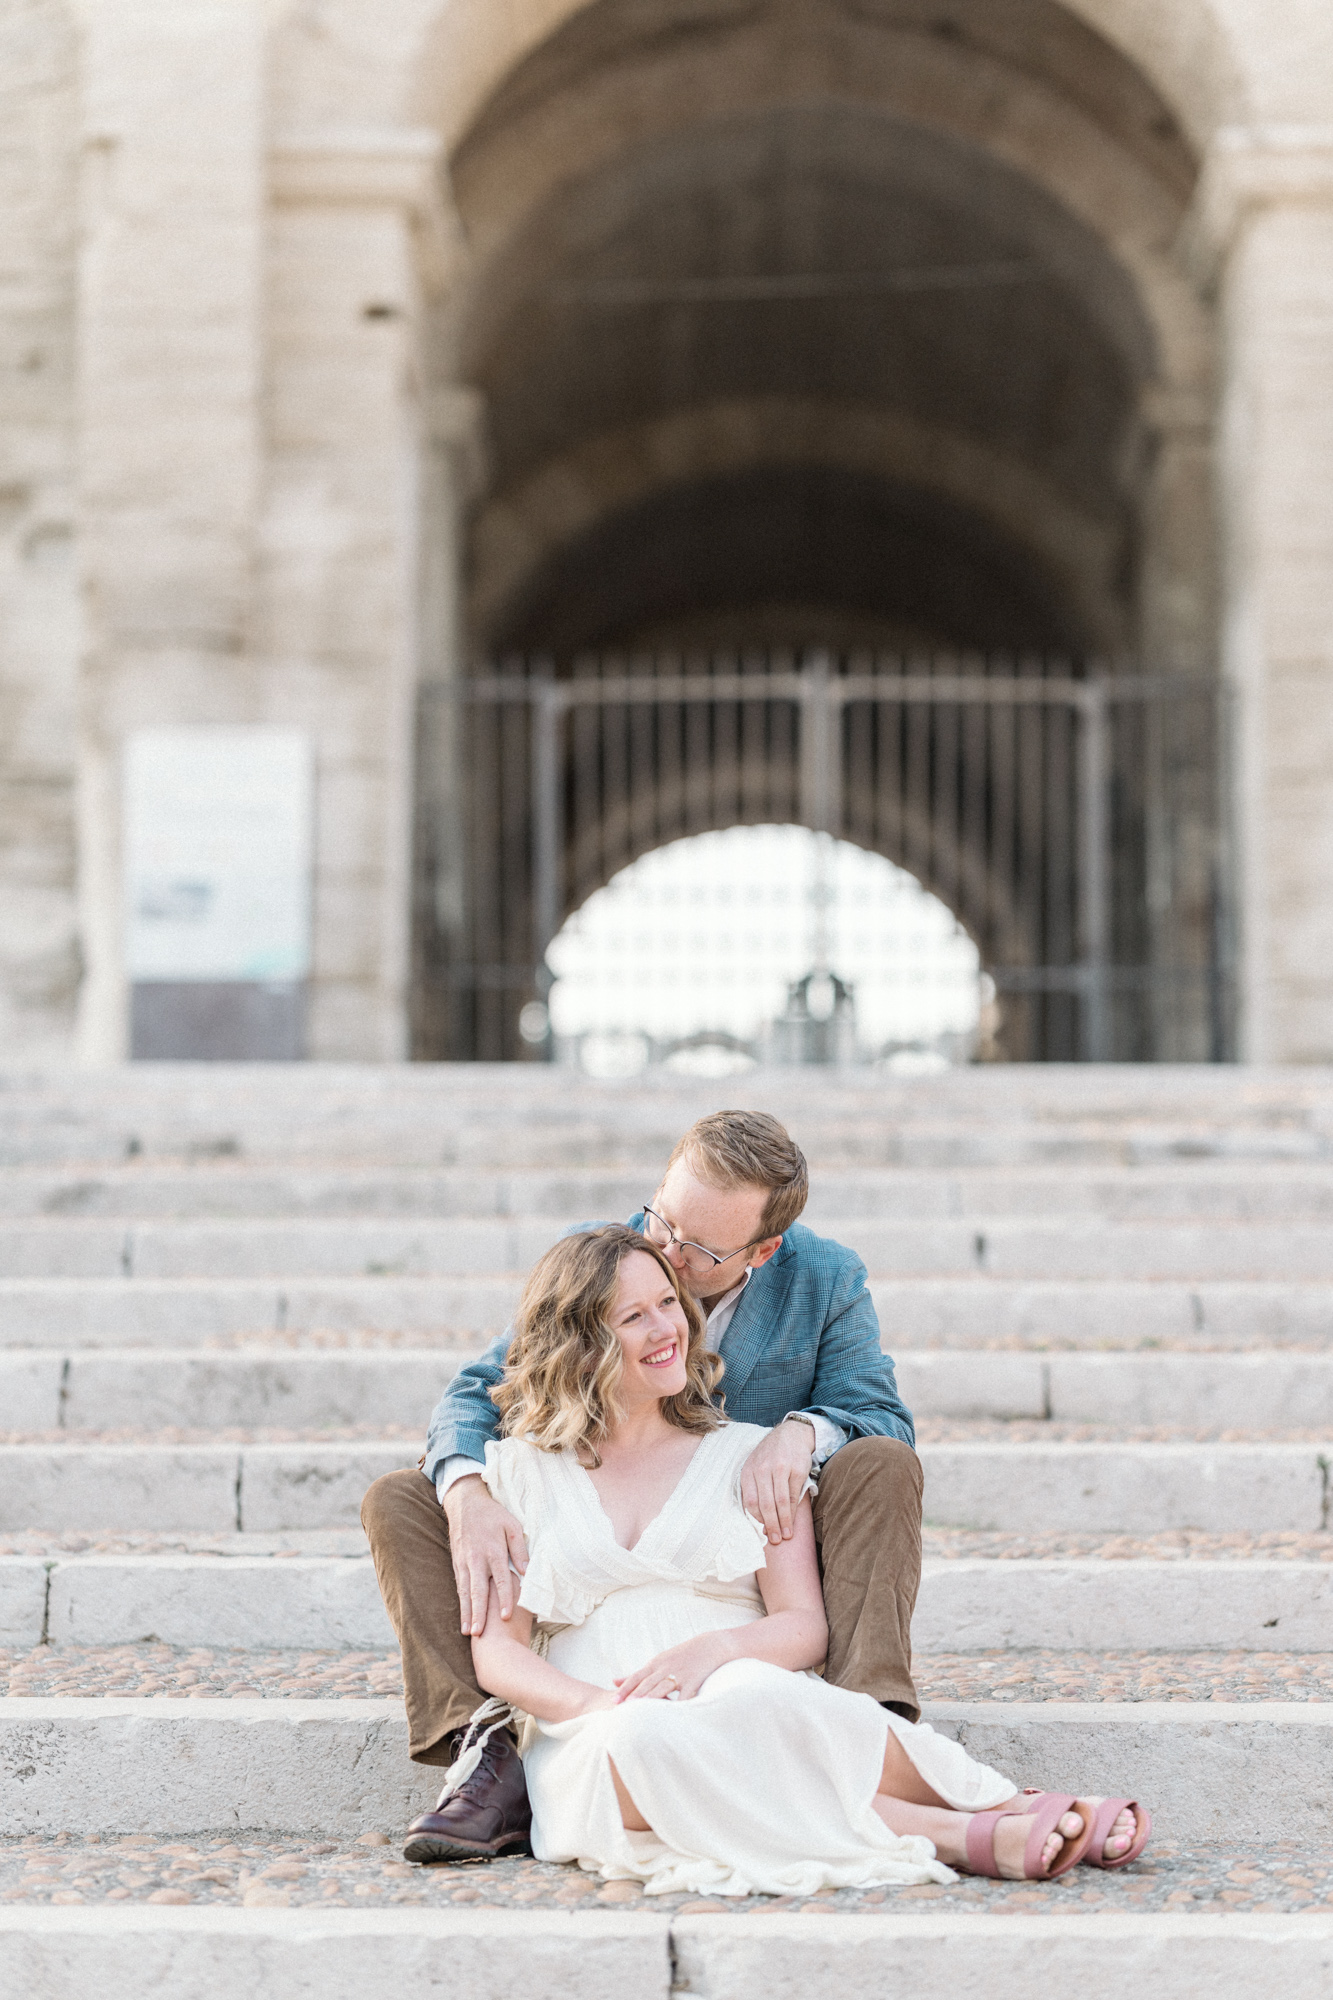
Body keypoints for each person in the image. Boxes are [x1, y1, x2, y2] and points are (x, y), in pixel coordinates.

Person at [428, 1226, 1152, 1893]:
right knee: (647, 1738)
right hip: (592, 1723)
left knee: (754, 1695)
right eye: (632, 1317)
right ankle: (972, 1825)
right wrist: (603, 1709)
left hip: (741, 1681)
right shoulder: (516, 1474)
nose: (667, 1329)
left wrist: (711, 1652)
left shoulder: (748, 1455)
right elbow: (500, 1655)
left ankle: (980, 1820)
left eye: (667, 1305)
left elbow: (802, 1624)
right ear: (580, 1344)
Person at [362, 1108, 926, 1863]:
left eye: (694, 1250)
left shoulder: (825, 1278)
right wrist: (467, 1492)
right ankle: (488, 1748)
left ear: (762, 1249)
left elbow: (881, 1412)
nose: (664, 1251)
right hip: (601, 1516)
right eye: (662, 1218)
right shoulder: (612, 1255)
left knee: (881, 1461)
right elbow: (479, 1391)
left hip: (746, 1540)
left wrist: (800, 1433)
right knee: (404, 1497)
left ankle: (863, 1724)